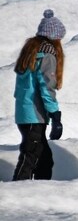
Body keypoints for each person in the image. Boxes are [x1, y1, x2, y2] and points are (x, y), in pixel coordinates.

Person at [12, 10, 66, 181]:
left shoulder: (30, 51)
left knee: (43, 160)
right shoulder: (48, 53)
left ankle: (39, 192)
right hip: (34, 115)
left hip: (25, 113)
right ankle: (17, 191)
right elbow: (46, 86)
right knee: (31, 157)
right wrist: (55, 113)